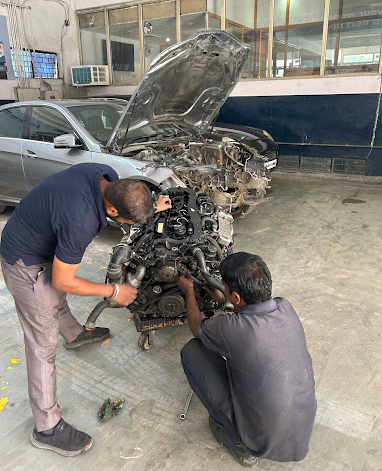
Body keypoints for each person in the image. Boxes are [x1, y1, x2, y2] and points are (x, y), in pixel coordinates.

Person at [0, 162, 171, 457]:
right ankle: (47, 427)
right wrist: (114, 290)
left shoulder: (104, 174)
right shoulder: (80, 221)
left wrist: (151, 207)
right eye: (130, 222)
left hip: (39, 242)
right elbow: (64, 279)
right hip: (24, 263)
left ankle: (76, 334)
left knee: (53, 298)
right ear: (114, 211)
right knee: (42, 342)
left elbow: (60, 279)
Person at [178, 252, 317, 467]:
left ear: (236, 297)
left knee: (193, 351)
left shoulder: (231, 328)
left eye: (225, 287)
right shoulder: (285, 306)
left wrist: (188, 292)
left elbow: (197, 326)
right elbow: (247, 316)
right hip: (300, 432)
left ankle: (240, 443)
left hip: (261, 439)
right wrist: (225, 300)